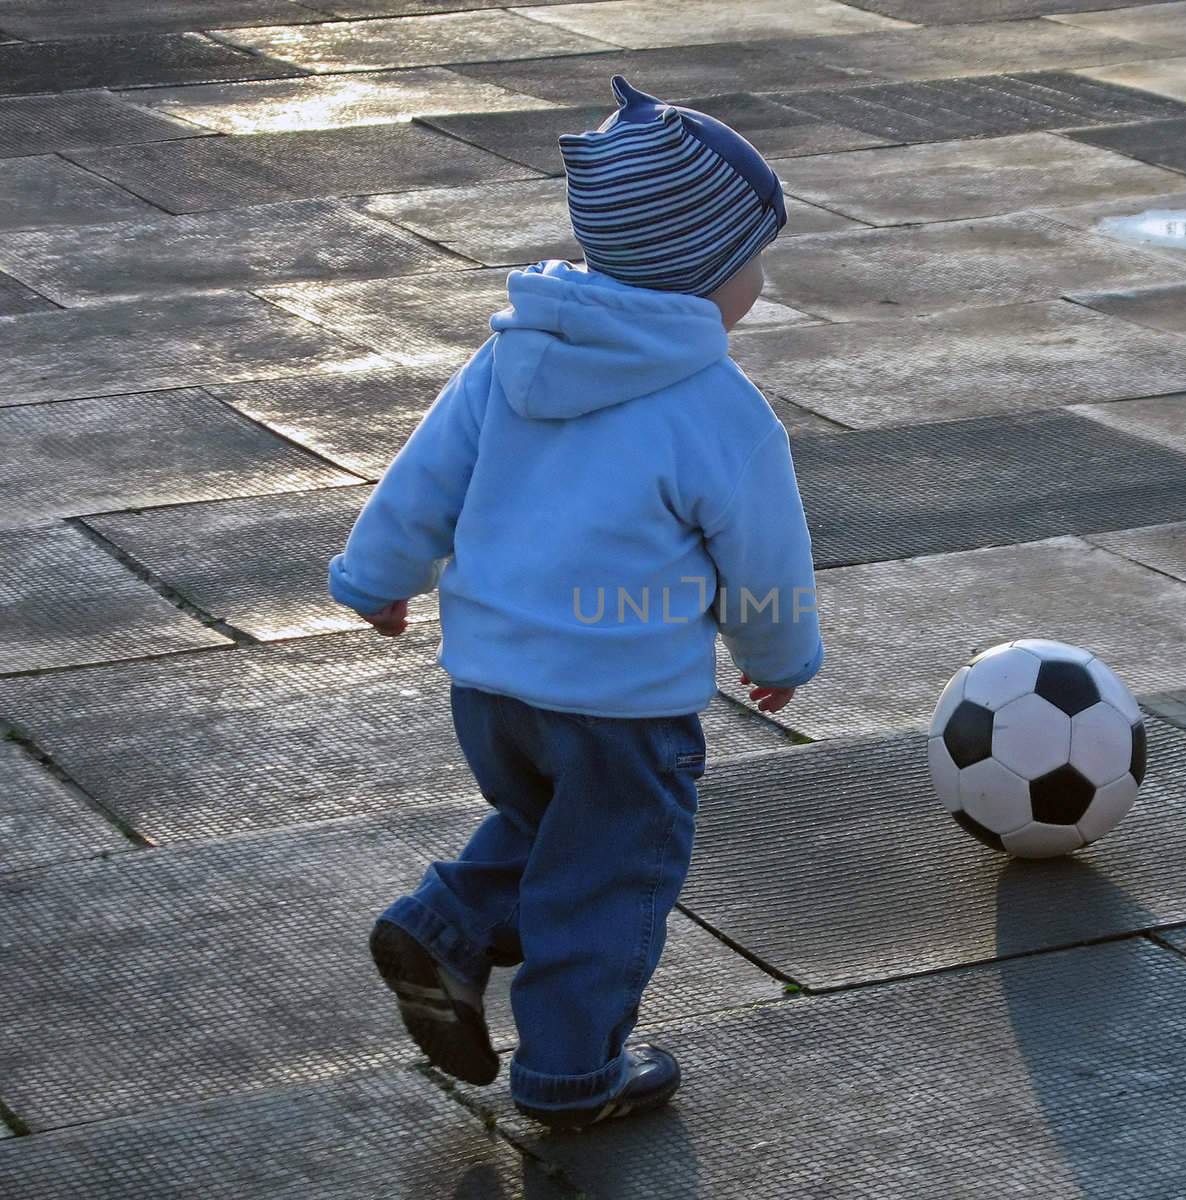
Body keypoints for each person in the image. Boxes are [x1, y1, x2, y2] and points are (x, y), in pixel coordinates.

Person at [327, 77, 823, 1130]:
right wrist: (780, 651)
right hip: (623, 704)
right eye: (752, 261)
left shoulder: (513, 354)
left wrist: (375, 580)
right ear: (701, 274)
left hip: (492, 686)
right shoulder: (718, 409)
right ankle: (570, 1071)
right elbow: (762, 555)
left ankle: (449, 921)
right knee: (611, 876)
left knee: (555, 829)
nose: (760, 285)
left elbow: (425, 477)